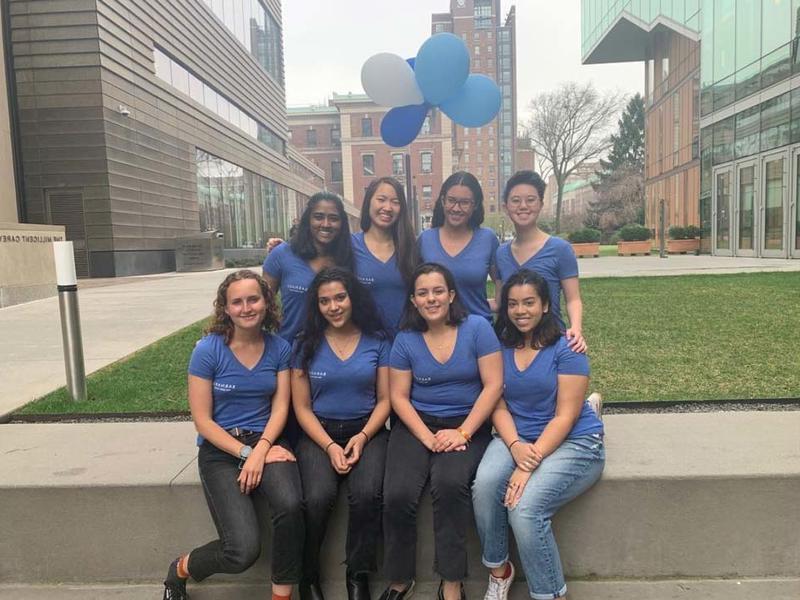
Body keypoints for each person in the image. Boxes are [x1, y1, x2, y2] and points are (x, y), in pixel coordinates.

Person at [162, 270, 304, 600]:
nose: (246, 308)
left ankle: (280, 596)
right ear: (225, 309)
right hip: (220, 449)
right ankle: (181, 568)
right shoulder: (208, 351)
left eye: (253, 299)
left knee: (292, 505)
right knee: (241, 551)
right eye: (236, 302)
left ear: (267, 303)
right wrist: (246, 454)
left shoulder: (279, 348)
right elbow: (202, 421)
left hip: (267, 440)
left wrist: (263, 449)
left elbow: (281, 407)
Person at [472, 270, 605, 600]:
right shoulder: (499, 346)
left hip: (573, 441)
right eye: (513, 304)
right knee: (486, 484)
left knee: (525, 508)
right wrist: (515, 445)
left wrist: (527, 464)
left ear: (545, 305)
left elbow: (565, 416)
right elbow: (497, 405)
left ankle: (551, 595)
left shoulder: (568, 347)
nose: (520, 311)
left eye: (529, 302)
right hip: (517, 435)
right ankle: (499, 571)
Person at [380, 263, 503, 600]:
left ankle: (451, 582)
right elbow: (399, 397)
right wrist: (427, 437)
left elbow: (493, 386)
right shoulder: (405, 339)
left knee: (449, 487)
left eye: (437, 291)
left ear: (451, 295)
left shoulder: (477, 328)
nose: (431, 298)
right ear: (413, 300)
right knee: (398, 494)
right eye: (423, 293)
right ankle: (399, 578)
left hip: (468, 424)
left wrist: (461, 433)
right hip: (417, 424)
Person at [291, 267, 391, 600]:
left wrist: (362, 437)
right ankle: (308, 575)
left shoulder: (377, 340)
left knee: (366, 495)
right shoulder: (305, 344)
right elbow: (302, 408)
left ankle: (357, 575)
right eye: (324, 301)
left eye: (340, 297)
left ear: (353, 298)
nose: (333, 306)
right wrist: (330, 445)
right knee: (317, 498)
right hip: (319, 433)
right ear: (316, 306)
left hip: (368, 429)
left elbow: (386, 400)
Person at [494, 171, 587, 353]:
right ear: (505, 207)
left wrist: (576, 328)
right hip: (512, 345)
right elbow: (500, 303)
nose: (523, 206)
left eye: (530, 200)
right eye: (515, 200)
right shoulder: (501, 253)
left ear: (541, 204)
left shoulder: (560, 249)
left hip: (549, 342)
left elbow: (573, 299)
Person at [263, 191, 354, 344]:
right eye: (318, 217)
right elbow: (262, 306)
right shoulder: (281, 254)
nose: (325, 224)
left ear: (342, 223)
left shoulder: (350, 256)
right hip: (289, 351)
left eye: (333, 218)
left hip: (335, 355)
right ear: (308, 220)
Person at [417, 172, 499, 321]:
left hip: (478, 334)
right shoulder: (425, 240)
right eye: (451, 200)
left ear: (475, 205)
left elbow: (504, 291)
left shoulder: (488, 239)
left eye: (464, 202)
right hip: (435, 332)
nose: (456, 208)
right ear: (443, 201)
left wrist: (481, 306)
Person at [352, 176, 418, 337]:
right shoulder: (350, 245)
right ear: (368, 202)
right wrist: (283, 247)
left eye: (395, 202)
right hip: (366, 345)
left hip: (406, 344)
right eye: (381, 199)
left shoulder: (412, 247)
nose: (387, 207)